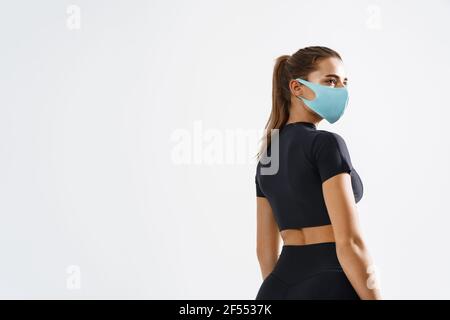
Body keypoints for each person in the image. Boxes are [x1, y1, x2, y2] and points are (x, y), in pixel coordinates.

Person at [255, 46, 381, 300]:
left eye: (344, 83)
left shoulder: (268, 156)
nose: (340, 91)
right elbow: (350, 243)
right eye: (330, 81)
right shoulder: (326, 144)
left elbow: (265, 251)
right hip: (329, 281)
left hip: (278, 286)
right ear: (296, 87)